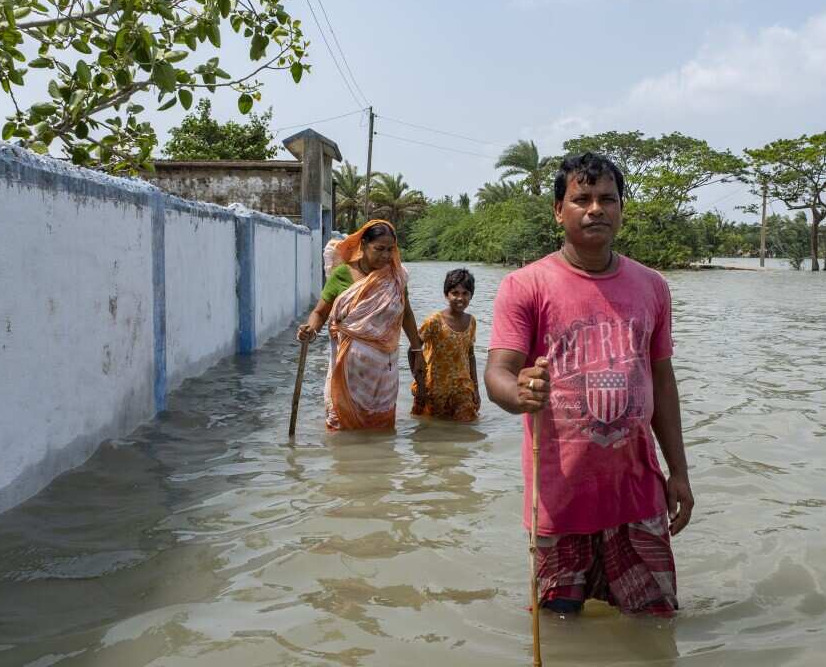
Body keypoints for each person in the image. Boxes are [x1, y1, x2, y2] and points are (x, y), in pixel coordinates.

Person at [484, 152, 694, 617]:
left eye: (607, 199)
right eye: (581, 199)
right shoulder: (526, 285)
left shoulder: (652, 286)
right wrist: (519, 393)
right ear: (559, 210)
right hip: (559, 499)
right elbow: (497, 372)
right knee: (561, 630)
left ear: (621, 209)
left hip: (637, 494)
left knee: (655, 623)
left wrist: (678, 472)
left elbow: (662, 380)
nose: (595, 209)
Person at [296, 220, 426, 430]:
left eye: (390, 250)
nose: (385, 256)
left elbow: (406, 314)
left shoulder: (396, 277)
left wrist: (417, 349)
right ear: (363, 245)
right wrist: (310, 330)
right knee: (340, 428)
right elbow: (320, 312)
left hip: (383, 372)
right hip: (347, 369)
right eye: (379, 249)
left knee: (381, 430)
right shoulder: (342, 274)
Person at [412, 268, 480, 422]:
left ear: (471, 296)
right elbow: (414, 349)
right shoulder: (434, 321)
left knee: (467, 426)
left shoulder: (471, 321)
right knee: (432, 431)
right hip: (435, 388)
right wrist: (420, 384)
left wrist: (476, 389)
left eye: (465, 293)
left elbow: (470, 355)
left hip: (462, 388)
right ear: (446, 295)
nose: (460, 298)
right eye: (455, 293)